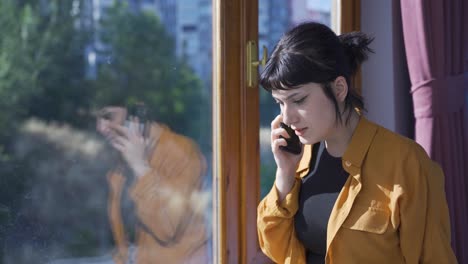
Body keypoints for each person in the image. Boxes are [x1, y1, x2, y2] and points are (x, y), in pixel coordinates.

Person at [256, 22, 457, 264]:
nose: (287, 117)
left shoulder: (407, 164)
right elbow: (275, 249)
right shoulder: (300, 158)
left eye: (298, 100)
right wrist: (284, 174)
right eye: (280, 102)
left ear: (339, 88)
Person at [96, 105, 210, 264]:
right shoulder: (123, 159)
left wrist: (141, 167)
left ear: (137, 114)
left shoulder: (181, 152)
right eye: (98, 119)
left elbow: (168, 228)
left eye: (109, 116)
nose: (101, 127)